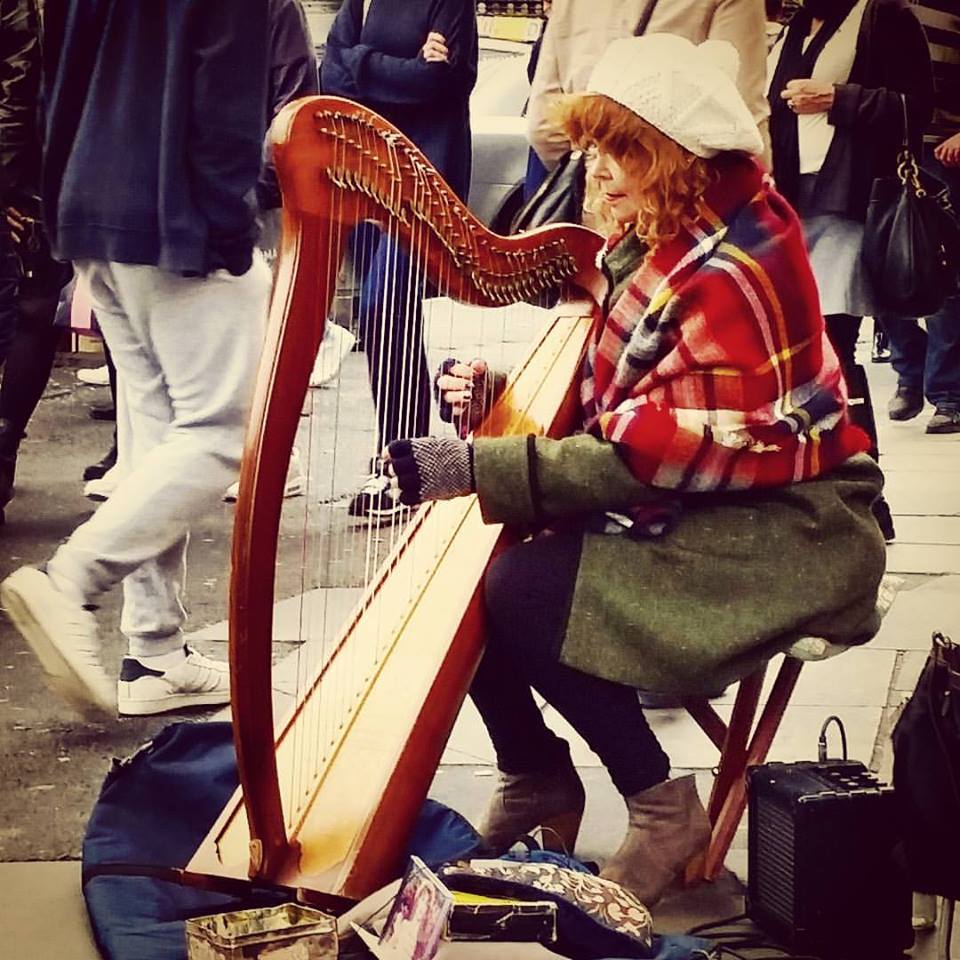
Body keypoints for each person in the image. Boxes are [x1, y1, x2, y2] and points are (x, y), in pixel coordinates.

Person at [385, 34, 887, 905]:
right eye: (598, 150)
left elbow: (643, 458)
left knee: (524, 588)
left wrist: (472, 464)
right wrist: (500, 400)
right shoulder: (673, 241)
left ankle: (661, 808)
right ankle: (537, 773)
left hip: (792, 531)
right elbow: (633, 411)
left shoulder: (725, 269)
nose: (604, 175)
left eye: (626, 152)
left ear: (682, 162)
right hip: (721, 498)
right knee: (481, 578)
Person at [0, 0, 272, 718]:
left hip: (91, 204)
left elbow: (52, 75)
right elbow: (227, 100)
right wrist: (226, 229)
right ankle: (69, 582)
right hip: (172, 213)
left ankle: (153, 653)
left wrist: (62, 200)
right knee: (221, 433)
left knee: (160, 435)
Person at [766, 0, 934, 541]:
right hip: (788, 208)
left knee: (834, 346)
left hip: (849, 204)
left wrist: (839, 98)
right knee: (801, 356)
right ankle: (825, 494)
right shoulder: (796, 26)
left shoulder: (885, 16)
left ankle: (867, 500)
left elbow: (917, 108)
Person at [320, 0, 478, 523]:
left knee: (383, 304)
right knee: (391, 323)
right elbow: (331, 77)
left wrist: (361, 62)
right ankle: (406, 458)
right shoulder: (358, 2)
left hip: (424, 183)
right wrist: (398, 67)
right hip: (367, 176)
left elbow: (441, 84)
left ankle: (398, 462)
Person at [527, 0, 772, 174]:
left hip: (591, 206)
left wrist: (593, 169)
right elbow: (741, 117)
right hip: (678, 204)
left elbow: (544, 123)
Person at [0, 0, 71, 524]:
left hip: (27, 175)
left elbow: (18, 90)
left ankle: (2, 455)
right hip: (24, 176)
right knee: (31, 310)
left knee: (32, 309)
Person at [877, 1, 960, 435]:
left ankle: (948, 393)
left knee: (940, 272)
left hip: (944, 151)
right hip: (885, 151)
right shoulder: (877, 10)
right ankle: (909, 373)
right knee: (886, 270)